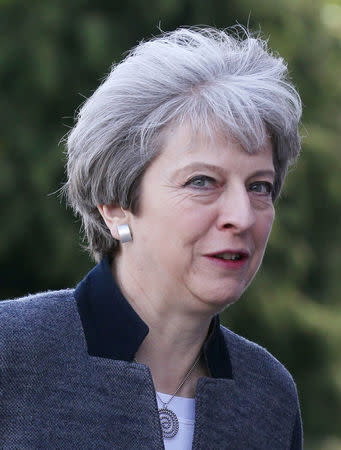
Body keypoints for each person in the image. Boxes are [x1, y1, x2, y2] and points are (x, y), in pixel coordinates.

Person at [0, 26, 303, 449]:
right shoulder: (10, 352)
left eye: (259, 186)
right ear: (116, 206)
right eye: (202, 181)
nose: (242, 216)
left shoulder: (270, 397)